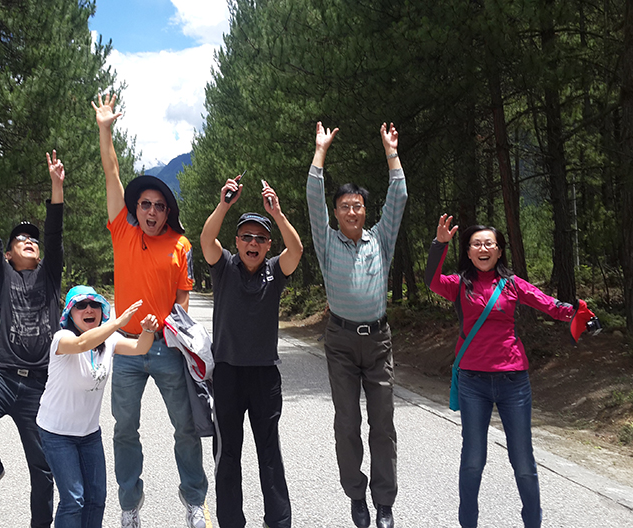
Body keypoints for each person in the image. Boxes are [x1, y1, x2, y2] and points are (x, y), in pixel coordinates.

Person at [91, 93, 208, 528]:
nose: (152, 211)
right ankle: (130, 505)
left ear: (167, 211)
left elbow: (183, 298)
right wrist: (105, 130)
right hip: (126, 349)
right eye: (145, 204)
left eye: (160, 206)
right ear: (135, 208)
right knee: (124, 430)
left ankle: (194, 501)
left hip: (165, 348)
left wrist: (171, 325)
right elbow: (112, 173)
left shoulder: (181, 245)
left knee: (185, 428)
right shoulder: (123, 231)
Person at [425, 215, 580, 528]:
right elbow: (432, 280)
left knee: (523, 462)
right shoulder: (458, 285)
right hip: (473, 382)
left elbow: (548, 304)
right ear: (468, 252)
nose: (483, 249)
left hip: (514, 382)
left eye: (489, 244)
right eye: (476, 244)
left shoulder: (512, 284)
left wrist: (578, 313)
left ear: (499, 251)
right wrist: (439, 245)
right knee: (473, 460)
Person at [306, 121, 407, 528]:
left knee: (382, 424)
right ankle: (356, 494)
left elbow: (399, 197)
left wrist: (391, 152)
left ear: (366, 211)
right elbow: (312, 198)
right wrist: (320, 152)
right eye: (345, 206)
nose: (352, 211)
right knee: (347, 422)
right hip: (341, 342)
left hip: (378, 341)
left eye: (358, 205)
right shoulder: (327, 242)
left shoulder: (380, 239)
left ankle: (384, 502)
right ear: (336, 213)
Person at [0, 152, 64, 528]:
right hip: (3, 376)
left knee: (43, 469)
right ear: (8, 254)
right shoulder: (3, 275)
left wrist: (56, 186)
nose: (30, 241)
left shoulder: (49, 274)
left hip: (39, 384)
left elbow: (54, 232)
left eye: (33, 239)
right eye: (21, 239)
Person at [200, 176, 303, 528]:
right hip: (227, 373)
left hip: (264, 375)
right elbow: (206, 239)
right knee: (228, 454)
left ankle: (278, 521)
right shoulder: (224, 267)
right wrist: (224, 204)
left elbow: (296, 251)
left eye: (260, 238)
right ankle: (231, 522)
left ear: (269, 244)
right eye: (246, 236)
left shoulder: (275, 270)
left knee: (269, 453)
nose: (253, 243)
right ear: (237, 242)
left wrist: (277, 214)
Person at [36, 285, 159, 528]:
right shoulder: (63, 338)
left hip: (89, 434)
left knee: (96, 499)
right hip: (57, 433)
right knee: (74, 500)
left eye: (94, 305)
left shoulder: (109, 340)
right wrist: (117, 323)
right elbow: (82, 344)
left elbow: (140, 348)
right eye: (81, 306)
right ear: (70, 313)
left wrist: (147, 330)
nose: (89, 309)